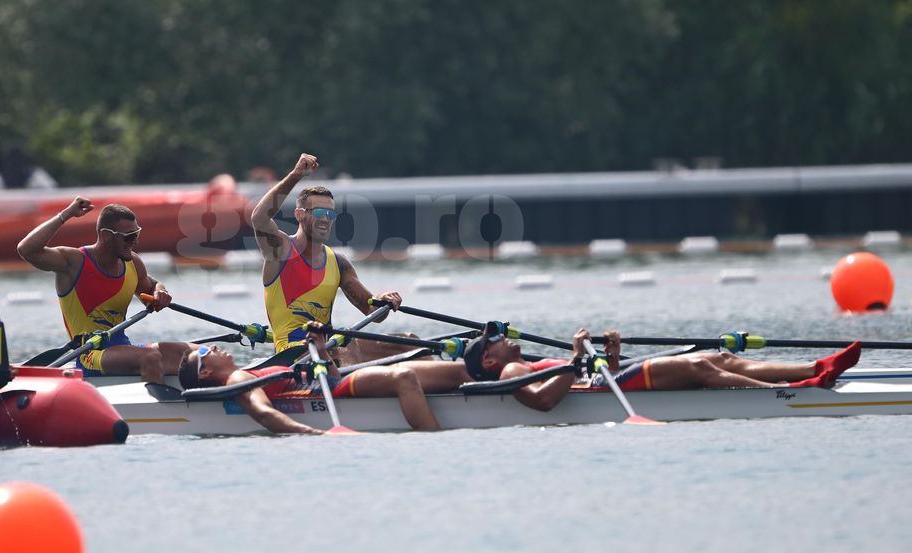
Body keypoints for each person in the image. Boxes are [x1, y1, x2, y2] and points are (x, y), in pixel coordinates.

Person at [458, 326, 863, 412]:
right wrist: (576, 355)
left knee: (719, 358)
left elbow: (571, 376)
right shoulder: (510, 373)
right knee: (701, 365)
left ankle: (814, 366)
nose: (503, 336)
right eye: (495, 338)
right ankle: (795, 389)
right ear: (489, 361)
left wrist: (609, 354)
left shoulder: (521, 362)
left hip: (605, 377)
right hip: (602, 388)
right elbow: (546, 401)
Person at [250, 152, 403, 363]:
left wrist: (384, 300)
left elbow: (372, 310)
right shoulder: (281, 250)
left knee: (407, 342)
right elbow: (259, 218)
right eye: (319, 213)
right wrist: (296, 175)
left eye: (331, 215)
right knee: (347, 345)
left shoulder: (339, 263)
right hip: (293, 353)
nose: (326, 220)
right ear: (299, 214)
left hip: (328, 348)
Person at [16, 196, 189, 382]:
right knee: (150, 357)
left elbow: (152, 285)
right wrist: (66, 215)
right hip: (90, 355)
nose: (134, 241)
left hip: (122, 348)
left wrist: (160, 292)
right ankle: (160, 409)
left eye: (136, 234)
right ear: (106, 235)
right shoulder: (74, 262)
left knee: (194, 353)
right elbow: (26, 250)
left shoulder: (133, 263)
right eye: (128, 237)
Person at [176, 327, 442, 433]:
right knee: (405, 375)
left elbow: (327, 375)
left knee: (455, 369)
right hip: (331, 392)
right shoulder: (237, 378)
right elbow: (264, 413)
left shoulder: (246, 371)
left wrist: (322, 349)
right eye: (203, 352)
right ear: (205, 373)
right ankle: (433, 439)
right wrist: (318, 434)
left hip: (331, 382)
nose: (211, 347)